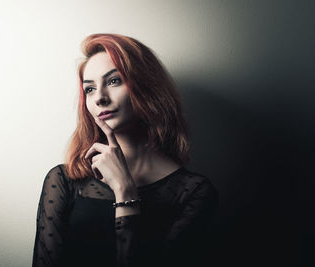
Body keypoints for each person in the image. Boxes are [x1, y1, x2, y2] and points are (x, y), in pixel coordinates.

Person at [32, 33, 219, 267]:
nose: (99, 98)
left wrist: (125, 191)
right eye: (89, 89)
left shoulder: (194, 193)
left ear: (147, 87)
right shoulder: (64, 181)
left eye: (114, 81)